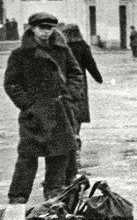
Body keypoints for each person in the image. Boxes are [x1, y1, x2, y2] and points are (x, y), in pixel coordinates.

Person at [4, 12, 85, 203]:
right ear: (32, 28)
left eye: (49, 28)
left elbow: (75, 74)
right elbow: (11, 83)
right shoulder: (20, 54)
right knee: (27, 156)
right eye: (42, 28)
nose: (46, 32)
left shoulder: (62, 51)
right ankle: (18, 197)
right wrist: (27, 105)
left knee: (59, 155)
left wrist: (70, 96)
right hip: (34, 113)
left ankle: (53, 193)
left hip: (59, 110)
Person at [62, 23, 102, 182]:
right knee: (78, 110)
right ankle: (75, 134)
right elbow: (90, 63)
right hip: (79, 83)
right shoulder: (82, 46)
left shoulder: (63, 47)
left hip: (65, 82)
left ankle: (72, 134)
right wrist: (98, 77)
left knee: (69, 109)